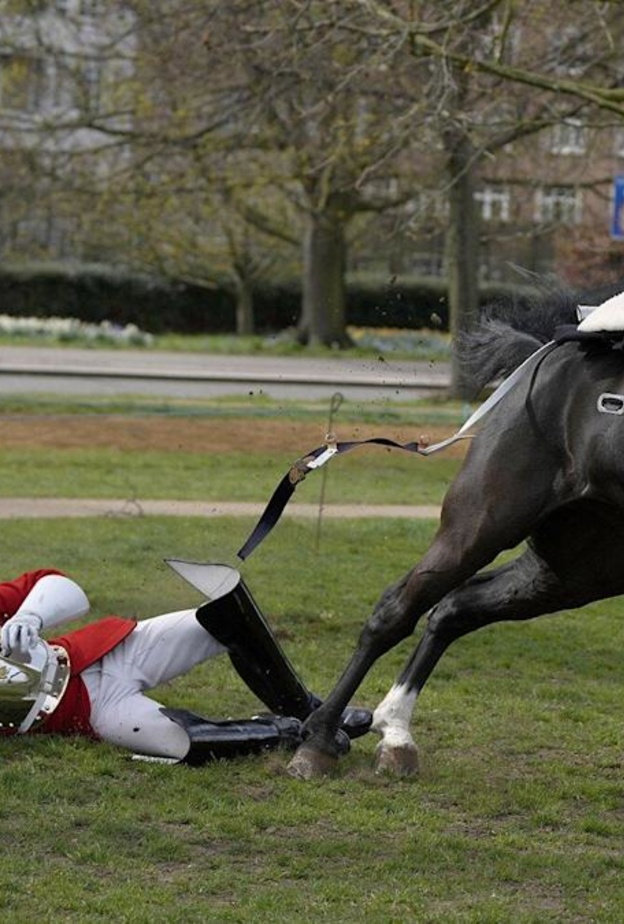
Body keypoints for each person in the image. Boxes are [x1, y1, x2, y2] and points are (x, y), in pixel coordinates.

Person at [0, 563, 371, 765]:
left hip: (103, 651)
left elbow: (63, 587)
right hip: (95, 711)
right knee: (188, 742)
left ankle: (315, 713)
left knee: (228, 615)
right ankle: (290, 732)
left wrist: (30, 616)